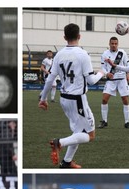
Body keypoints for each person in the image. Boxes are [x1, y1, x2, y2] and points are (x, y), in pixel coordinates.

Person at [38, 23, 105, 168]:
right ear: (79, 36)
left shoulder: (59, 55)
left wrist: (43, 99)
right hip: (78, 100)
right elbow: (91, 81)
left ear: (64, 37)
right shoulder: (82, 55)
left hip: (64, 98)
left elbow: (50, 79)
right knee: (90, 135)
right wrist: (101, 73)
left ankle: (67, 162)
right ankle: (59, 143)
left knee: (77, 131)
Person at [98, 36, 129, 129]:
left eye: (115, 43)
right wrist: (107, 73)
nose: (114, 45)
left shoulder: (122, 53)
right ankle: (104, 121)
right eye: (112, 43)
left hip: (121, 79)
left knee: (125, 100)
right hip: (111, 80)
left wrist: (128, 73)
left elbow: (128, 65)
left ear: (118, 44)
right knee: (104, 99)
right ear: (109, 44)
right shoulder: (105, 54)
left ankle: (127, 122)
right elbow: (103, 67)